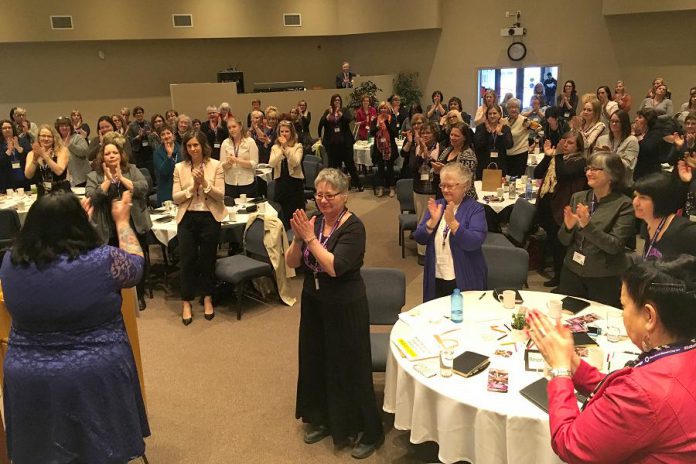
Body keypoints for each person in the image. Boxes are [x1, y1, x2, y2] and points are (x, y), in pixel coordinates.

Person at [0, 190, 150, 463]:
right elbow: (137, 265)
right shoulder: (103, 261)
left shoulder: (10, 263)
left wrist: (70, 218)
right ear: (81, 223)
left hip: (29, 377)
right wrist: (121, 222)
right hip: (94, 373)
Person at [527, 255, 696, 464]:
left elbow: (570, 444)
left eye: (624, 306)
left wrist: (561, 371)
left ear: (649, 317)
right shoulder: (683, 352)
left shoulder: (643, 393)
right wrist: (572, 361)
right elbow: (618, 391)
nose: (622, 315)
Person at [286, 168, 383, 459]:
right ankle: (325, 418)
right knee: (318, 361)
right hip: (314, 302)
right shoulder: (312, 223)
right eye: (319, 195)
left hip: (345, 304)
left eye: (330, 195)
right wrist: (297, 239)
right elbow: (292, 262)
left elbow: (335, 266)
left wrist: (310, 239)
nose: (323, 200)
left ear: (345, 196)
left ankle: (368, 430)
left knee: (350, 367)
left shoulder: (354, 227)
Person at [558, 152, 635, 307]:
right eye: (588, 168)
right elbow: (563, 240)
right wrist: (568, 227)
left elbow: (614, 246)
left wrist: (587, 226)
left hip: (603, 276)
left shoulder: (624, 205)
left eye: (595, 169)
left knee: (599, 326)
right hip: (572, 271)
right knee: (566, 319)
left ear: (612, 175)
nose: (588, 172)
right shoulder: (578, 197)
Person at [86, 133, 152, 310]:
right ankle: (117, 295)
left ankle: (139, 294)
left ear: (121, 154)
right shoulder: (94, 176)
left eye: (114, 152)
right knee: (113, 263)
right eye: (107, 154)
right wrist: (107, 181)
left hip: (134, 223)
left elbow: (143, 188)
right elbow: (91, 197)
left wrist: (122, 178)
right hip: (108, 227)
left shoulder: (132, 169)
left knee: (137, 259)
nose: (111, 156)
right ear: (102, 157)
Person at [173, 131, 226, 325]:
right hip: (187, 217)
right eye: (189, 146)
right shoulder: (180, 167)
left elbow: (220, 196)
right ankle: (186, 301)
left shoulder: (216, 165)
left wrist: (203, 183)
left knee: (207, 259)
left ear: (203, 146)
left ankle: (207, 297)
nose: (193, 149)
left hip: (209, 216)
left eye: (196, 145)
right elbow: (175, 197)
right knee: (187, 259)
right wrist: (192, 188)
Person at [414, 163, 487, 300]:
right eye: (443, 185)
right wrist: (431, 223)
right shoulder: (438, 205)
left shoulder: (475, 209)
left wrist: (453, 224)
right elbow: (419, 237)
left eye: (451, 185)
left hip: (465, 276)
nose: (445, 190)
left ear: (465, 185)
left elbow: (475, 242)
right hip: (436, 275)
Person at [534, 131, 587, 287]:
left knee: (560, 244)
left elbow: (563, 174)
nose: (565, 145)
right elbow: (537, 173)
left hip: (563, 206)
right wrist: (547, 156)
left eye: (570, 143)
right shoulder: (558, 159)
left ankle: (560, 278)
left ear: (578, 146)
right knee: (552, 239)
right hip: (548, 204)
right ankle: (556, 272)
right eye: (564, 141)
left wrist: (556, 156)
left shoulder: (580, 161)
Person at [632, 172, 696, 259]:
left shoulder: (685, 231)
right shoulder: (649, 223)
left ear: (660, 201)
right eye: (636, 196)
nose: (635, 202)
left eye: (643, 198)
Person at [318, 94, 362, 191]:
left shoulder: (344, 110)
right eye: (335, 100)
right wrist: (329, 115)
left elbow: (348, 120)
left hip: (345, 145)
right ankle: (333, 186)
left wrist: (340, 115)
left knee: (350, 165)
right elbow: (322, 123)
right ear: (332, 102)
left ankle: (358, 184)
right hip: (333, 145)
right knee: (332, 167)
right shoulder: (328, 111)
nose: (337, 102)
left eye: (339, 100)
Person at [410, 120, 439, 263]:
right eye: (423, 133)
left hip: (434, 188)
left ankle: (433, 250)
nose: (425, 135)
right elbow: (412, 168)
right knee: (422, 220)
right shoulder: (417, 148)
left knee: (434, 220)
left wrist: (428, 155)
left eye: (428, 132)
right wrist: (420, 153)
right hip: (419, 189)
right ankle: (422, 252)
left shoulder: (439, 147)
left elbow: (439, 165)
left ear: (434, 134)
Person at [269, 120, 304, 228]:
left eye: (287, 131)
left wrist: (286, 149)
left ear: (291, 133)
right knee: (281, 212)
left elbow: (295, 162)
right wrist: (281, 151)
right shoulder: (275, 148)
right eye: (282, 131)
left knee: (294, 213)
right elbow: (272, 163)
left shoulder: (298, 146)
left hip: (294, 183)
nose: (284, 134)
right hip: (280, 182)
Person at [594, 109, 639, 187]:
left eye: (617, 121)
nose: (613, 124)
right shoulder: (602, 139)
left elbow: (628, 167)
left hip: (622, 184)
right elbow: (594, 161)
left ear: (624, 123)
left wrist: (610, 155)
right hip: (603, 182)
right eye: (612, 121)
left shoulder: (631, 141)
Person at [432, 122, 477, 200]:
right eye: (451, 134)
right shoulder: (447, 150)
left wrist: (444, 170)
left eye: (456, 136)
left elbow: (465, 180)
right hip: (444, 195)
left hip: (462, 199)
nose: (452, 138)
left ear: (464, 138)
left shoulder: (468, 155)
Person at [24, 124, 70, 195]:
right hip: (42, 191)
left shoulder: (62, 150)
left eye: (49, 136)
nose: (46, 139)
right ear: (38, 137)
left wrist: (44, 156)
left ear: (54, 138)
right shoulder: (32, 153)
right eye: (43, 136)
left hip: (61, 191)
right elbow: (28, 175)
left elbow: (59, 171)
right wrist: (34, 160)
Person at [220, 116, 258, 199]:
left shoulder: (250, 142)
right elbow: (222, 166)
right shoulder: (225, 143)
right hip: (230, 183)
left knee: (247, 210)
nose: (232, 130)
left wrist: (237, 160)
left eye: (234, 126)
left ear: (240, 127)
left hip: (247, 182)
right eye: (229, 128)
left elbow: (254, 164)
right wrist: (229, 163)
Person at [473, 105, 513, 179]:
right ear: (486, 115)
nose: (492, 116)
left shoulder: (505, 128)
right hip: (483, 163)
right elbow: (477, 145)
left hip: (500, 163)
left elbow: (509, 145)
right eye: (489, 114)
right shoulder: (481, 128)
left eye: (494, 113)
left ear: (500, 115)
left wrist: (500, 134)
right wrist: (487, 132)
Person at [369, 101, 398, 197]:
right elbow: (372, 133)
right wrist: (378, 127)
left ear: (388, 110)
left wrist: (386, 122)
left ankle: (392, 188)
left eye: (385, 108)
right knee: (380, 168)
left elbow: (394, 133)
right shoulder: (375, 120)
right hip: (378, 147)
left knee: (390, 168)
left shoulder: (392, 119)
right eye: (381, 108)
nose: (383, 110)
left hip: (389, 147)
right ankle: (380, 187)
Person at [55, 116, 89, 187]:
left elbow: (84, 152)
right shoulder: (56, 141)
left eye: (67, 125)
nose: (64, 128)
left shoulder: (78, 137)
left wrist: (70, 145)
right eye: (62, 126)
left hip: (80, 178)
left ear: (70, 127)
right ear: (58, 128)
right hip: (62, 178)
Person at [633, 108, 665, 181]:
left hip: (650, 175)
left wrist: (637, 137)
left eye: (640, 117)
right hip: (640, 172)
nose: (636, 119)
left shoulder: (656, 133)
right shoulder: (642, 133)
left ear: (647, 120)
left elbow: (647, 148)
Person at [503, 98, 533, 177]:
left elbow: (539, 130)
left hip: (520, 154)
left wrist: (534, 144)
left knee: (518, 180)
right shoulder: (503, 121)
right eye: (510, 107)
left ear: (519, 109)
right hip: (506, 155)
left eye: (515, 107)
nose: (513, 109)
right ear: (507, 109)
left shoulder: (525, 120)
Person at [0, 119, 32, 191]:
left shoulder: (23, 141)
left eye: (9, 127)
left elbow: (30, 156)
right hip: (7, 181)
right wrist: (8, 151)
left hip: (24, 178)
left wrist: (19, 149)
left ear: (13, 129)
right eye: (4, 128)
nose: (7, 130)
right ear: (1, 130)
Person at [153, 124, 180, 206]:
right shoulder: (157, 153)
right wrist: (169, 155)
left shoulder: (182, 149)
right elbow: (163, 172)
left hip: (181, 187)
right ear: (160, 137)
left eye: (168, 133)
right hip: (165, 188)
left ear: (173, 135)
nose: (166, 136)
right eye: (163, 134)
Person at [126, 106, 154, 180]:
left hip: (149, 150)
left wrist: (149, 134)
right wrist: (137, 137)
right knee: (142, 171)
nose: (139, 114)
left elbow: (153, 135)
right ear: (134, 115)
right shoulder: (131, 126)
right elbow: (130, 140)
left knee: (151, 169)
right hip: (138, 152)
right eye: (137, 113)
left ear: (143, 113)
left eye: (140, 112)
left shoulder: (148, 123)